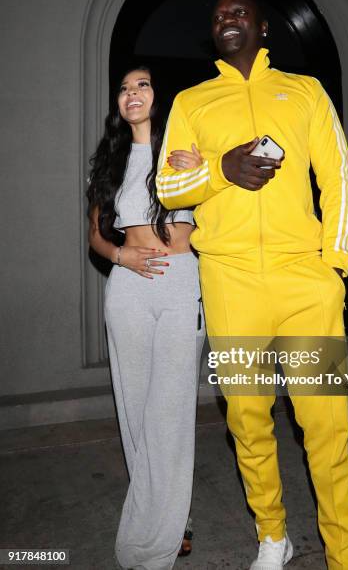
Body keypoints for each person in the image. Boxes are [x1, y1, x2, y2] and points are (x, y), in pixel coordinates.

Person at [157, 0, 348, 570]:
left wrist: (334, 266)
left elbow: (338, 178)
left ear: (263, 26)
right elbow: (168, 190)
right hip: (230, 280)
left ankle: (345, 556)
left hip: (306, 283)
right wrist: (220, 169)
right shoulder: (193, 102)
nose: (226, 18)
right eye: (218, 14)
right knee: (247, 418)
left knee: (325, 426)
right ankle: (274, 535)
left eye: (239, 12)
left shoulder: (304, 91)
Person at [87, 65, 205, 570]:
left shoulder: (186, 149)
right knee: (134, 411)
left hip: (181, 285)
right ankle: (161, 517)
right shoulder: (108, 161)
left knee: (170, 413)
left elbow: (218, 212)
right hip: (128, 289)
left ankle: (166, 522)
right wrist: (121, 257)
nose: (131, 94)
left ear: (161, 97)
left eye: (143, 85)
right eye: (124, 87)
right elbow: (95, 235)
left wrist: (202, 168)